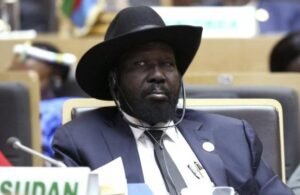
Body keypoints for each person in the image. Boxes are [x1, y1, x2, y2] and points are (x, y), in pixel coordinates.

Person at [52, 6, 293, 195]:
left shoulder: (233, 136)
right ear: (114, 79)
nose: (157, 75)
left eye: (167, 64)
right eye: (141, 64)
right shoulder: (80, 142)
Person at [9, 41, 77, 157]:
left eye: (27, 57)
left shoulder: (65, 107)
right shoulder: (7, 104)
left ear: (54, 70)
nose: (19, 62)